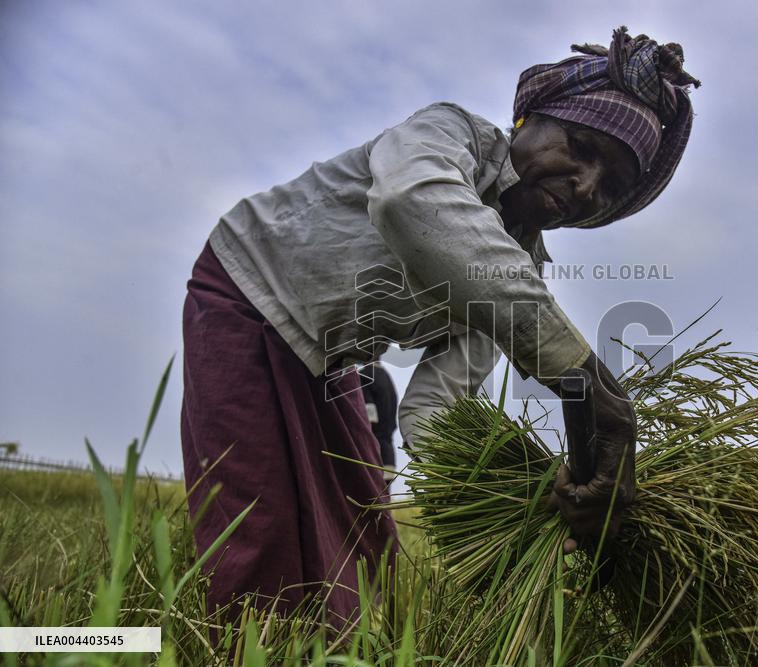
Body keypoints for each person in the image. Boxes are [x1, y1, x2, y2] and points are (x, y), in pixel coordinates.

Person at [180, 26, 698, 625]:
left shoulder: (519, 269)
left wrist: (521, 493)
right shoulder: (451, 135)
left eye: (611, 185)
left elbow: (434, 409)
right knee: (261, 524)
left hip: (331, 359)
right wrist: (589, 382)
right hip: (244, 292)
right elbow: (409, 201)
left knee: (364, 531)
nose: (585, 184)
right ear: (529, 120)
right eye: (580, 147)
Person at [360, 361, 399, 482]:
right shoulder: (386, 376)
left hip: (375, 457)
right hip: (389, 457)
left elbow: (369, 414)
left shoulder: (365, 375)